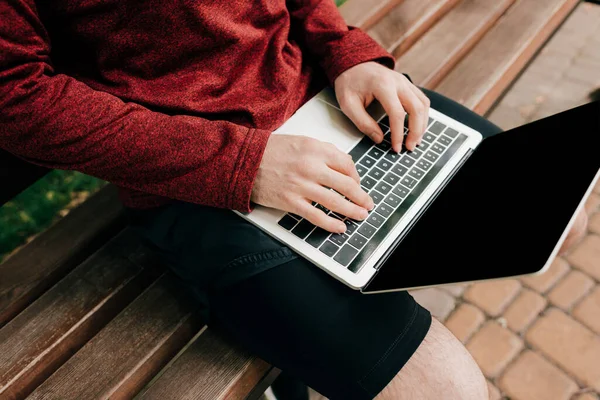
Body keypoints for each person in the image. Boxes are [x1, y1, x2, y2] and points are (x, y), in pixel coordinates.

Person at [0, 1, 587, 399]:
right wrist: (243, 164)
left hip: (327, 97)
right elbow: (15, 96)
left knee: (563, 219)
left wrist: (348, 52)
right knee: (450, 390)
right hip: (194, 181)